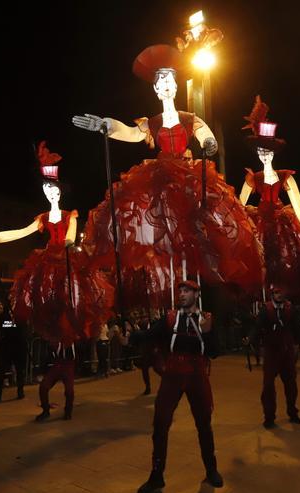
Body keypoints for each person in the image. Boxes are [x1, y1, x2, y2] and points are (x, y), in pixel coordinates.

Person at [74, 44, 263, 307]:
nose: (165, 84)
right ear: (154, 87)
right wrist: (106, 125)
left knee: (200, 226)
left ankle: (198, 295)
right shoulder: (151, 122)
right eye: (161, 79)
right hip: (160, 179)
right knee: (162, 234)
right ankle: (175, 298)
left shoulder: (189, 118)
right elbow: (129, 132)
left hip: (189, 177)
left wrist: (209, 144)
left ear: (176, 85)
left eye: (170, 79)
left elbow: (207, 137)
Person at [0, 142, 114, 403]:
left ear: (60, 191)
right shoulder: (42, 218)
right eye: (46, 189)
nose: (50, 192)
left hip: (66, 259)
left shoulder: (71, 214)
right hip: (48, 262)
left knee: (75, 298)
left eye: (53, 188)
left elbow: (70, 236)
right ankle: (55, 348)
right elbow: (20, 232)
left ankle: (69, 346)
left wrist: (70, 246)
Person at [238, 96, 300, 304]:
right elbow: (240, 205)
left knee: (286, 259)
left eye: (268, 150)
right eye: (261, 151)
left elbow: (297, 202)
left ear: (273, 152)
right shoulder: (254, 178)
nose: (265, 155)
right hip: (260, 220)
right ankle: (266, 303)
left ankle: (282, 302)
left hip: (282, 223)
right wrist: (240, 232)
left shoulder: (285, 176)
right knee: (262, 261)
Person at [137, 280, 223, 493]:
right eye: (180, 291)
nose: (182, 294)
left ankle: (211, 470)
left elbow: (214, 352)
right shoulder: (169, 318)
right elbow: (150, 335)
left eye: (187, 291)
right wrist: (129, 336)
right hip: (173, 375)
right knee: (160, 424)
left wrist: (207, 332)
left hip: (197, 375)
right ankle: (157, 476)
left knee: (204, 424)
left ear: (196, 294)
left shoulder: (207, 319)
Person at [249, 287, 300, 429]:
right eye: (277, 293)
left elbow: (298, 328)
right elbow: (258, 326)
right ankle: (269, 417)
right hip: (271, 351)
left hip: (287, 351)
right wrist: (251, 339)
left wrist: (297, 345)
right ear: (272, 294)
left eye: (282, 292)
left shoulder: (291, 308)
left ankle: (292, 412)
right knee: (268, 386)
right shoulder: (265, 309)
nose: (280, 295)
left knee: (291, 384)